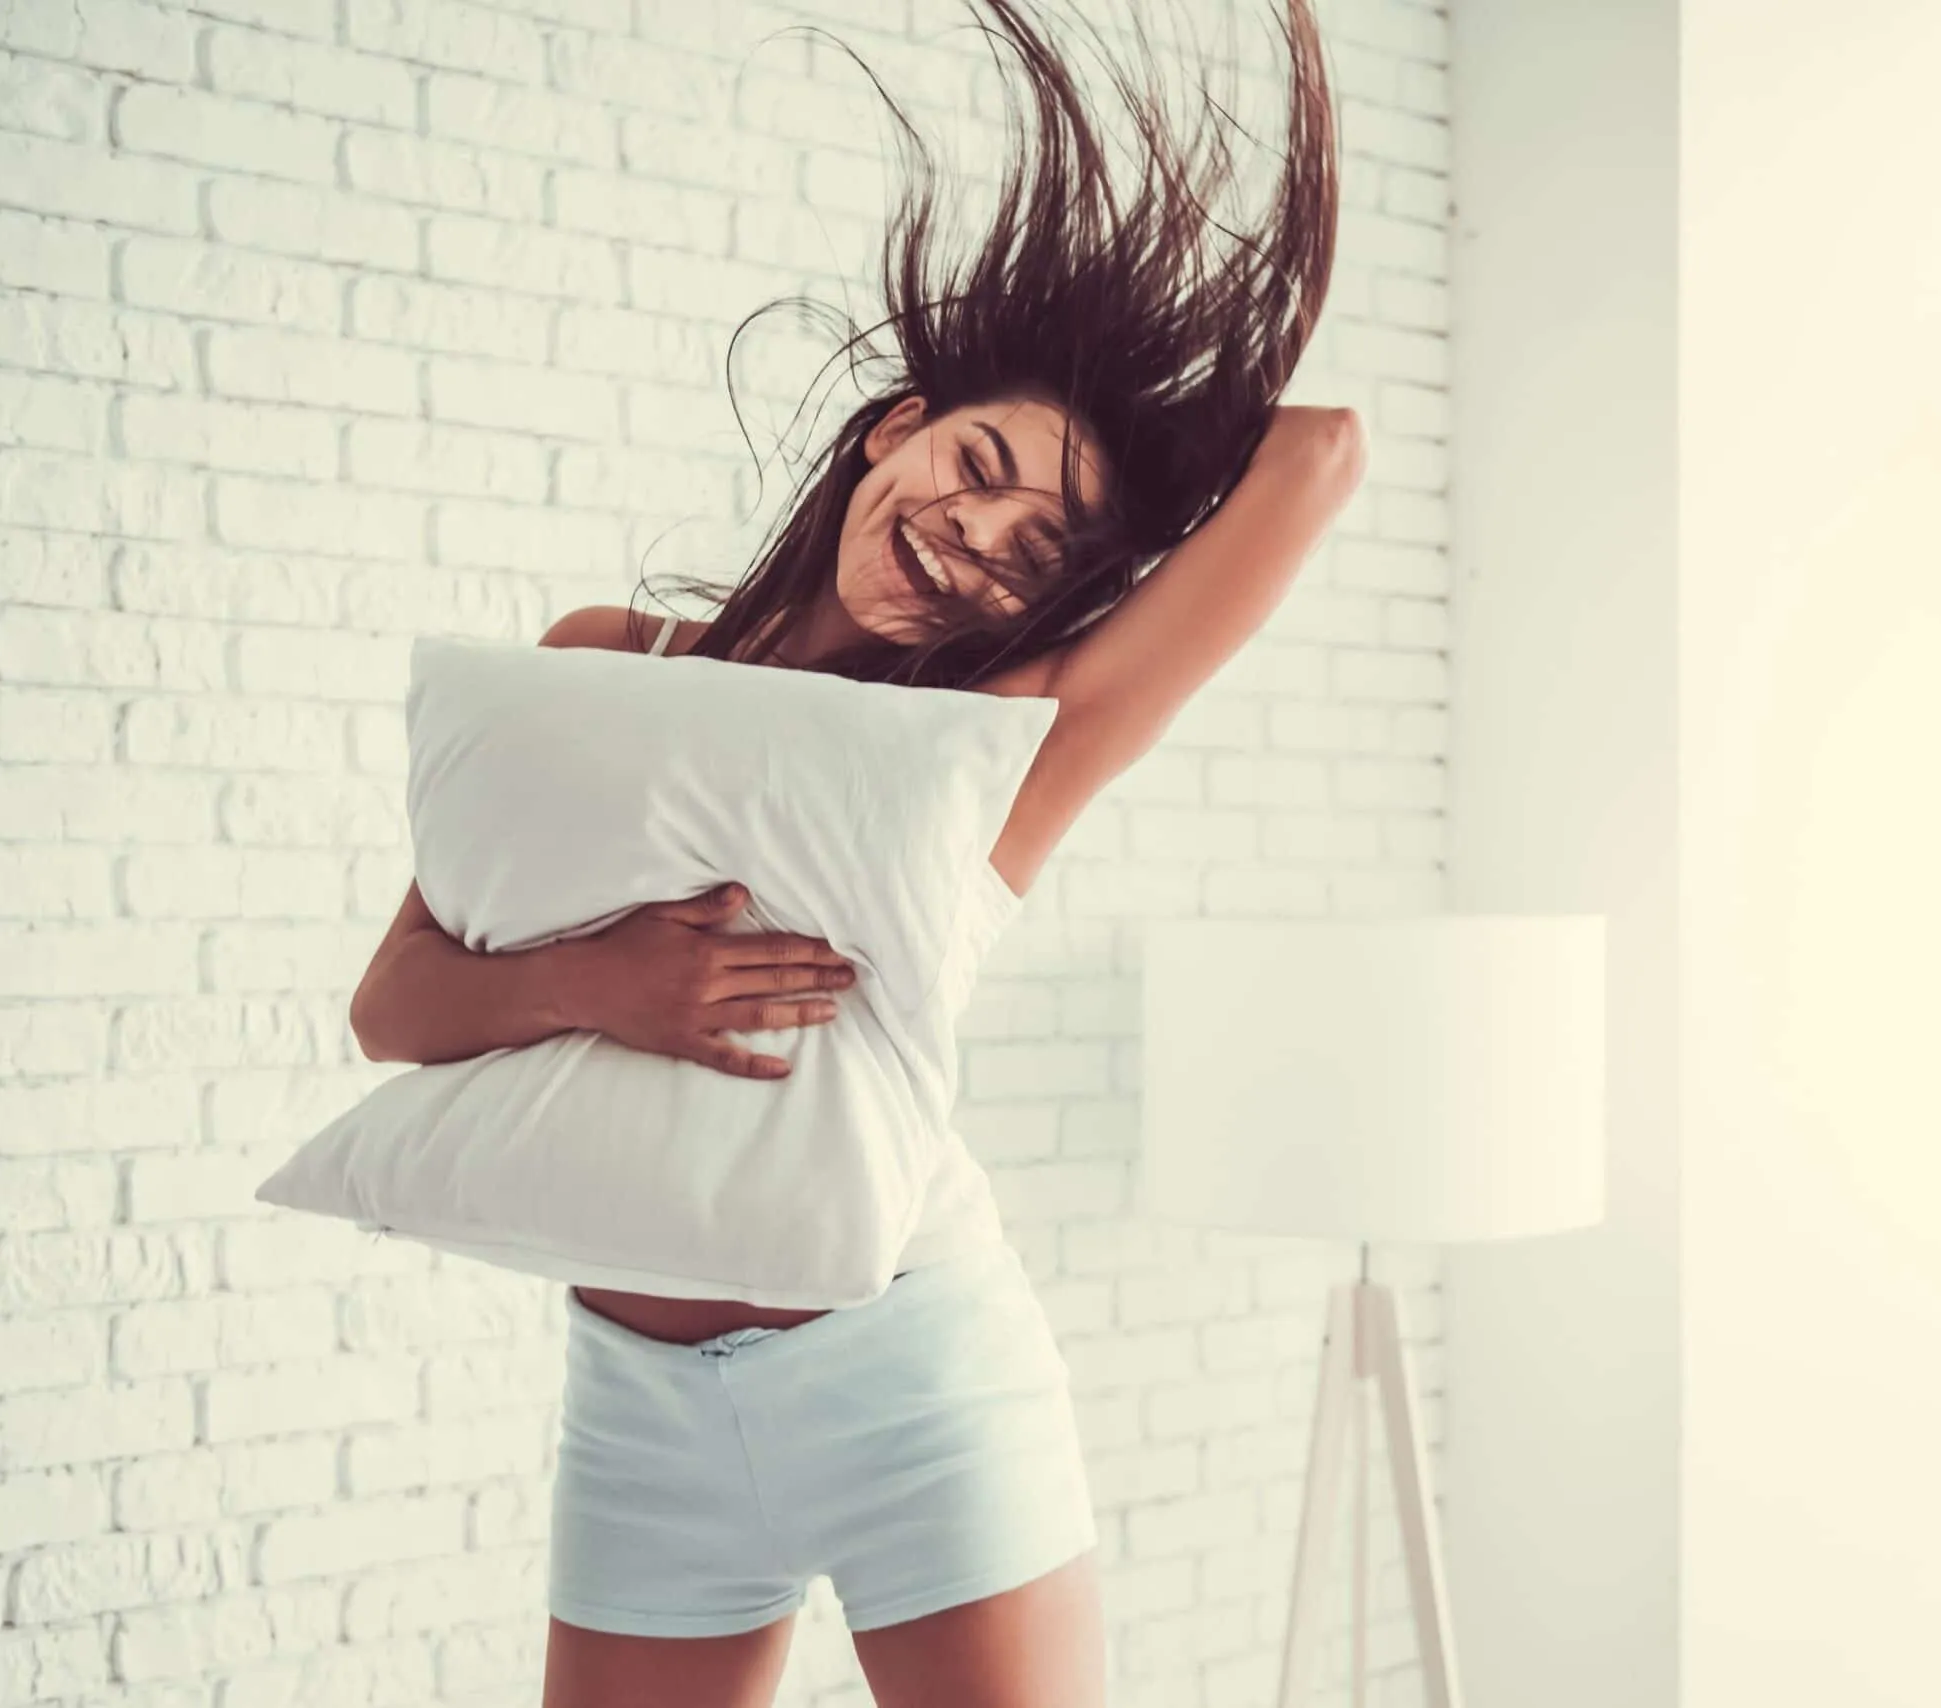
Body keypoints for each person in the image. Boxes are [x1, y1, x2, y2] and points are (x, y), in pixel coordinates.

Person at [347, 2, 1362, 1702]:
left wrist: (1150, 447)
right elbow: (394, 1008)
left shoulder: (990, 755)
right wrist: (620, 983)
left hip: (912, 1379)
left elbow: (1318, 456)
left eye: (1035, 546)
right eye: (976, 467)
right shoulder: (610, 661)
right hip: (637, 1402)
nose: (976, 536)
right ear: (891, 428)